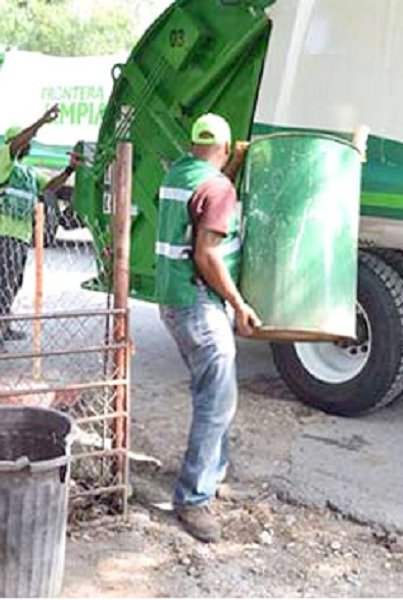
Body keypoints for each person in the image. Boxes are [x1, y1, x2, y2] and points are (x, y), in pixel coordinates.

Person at [156, 113, 261, 543]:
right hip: (199, 302)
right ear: (227, 147)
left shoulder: (179, 174)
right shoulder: (218, 189)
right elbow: (207, 254)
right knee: (215, 402)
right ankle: (193, 499)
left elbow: (206, 195)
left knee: (215, 394)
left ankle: (212, 476)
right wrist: (239, 304)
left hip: (172, 299)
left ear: (193, 144)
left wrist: (230, 166)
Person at [0, 104, 79, 349]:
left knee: (13, 282)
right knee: (4, 281)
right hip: (4, 232)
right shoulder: (3, 161)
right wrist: (42, 121)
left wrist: (70, 169)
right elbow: (17, 142)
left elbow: (50, 187)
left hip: (21, 235)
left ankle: (2, 325)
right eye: (24, 140)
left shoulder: (26, 173)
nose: (28, 144)